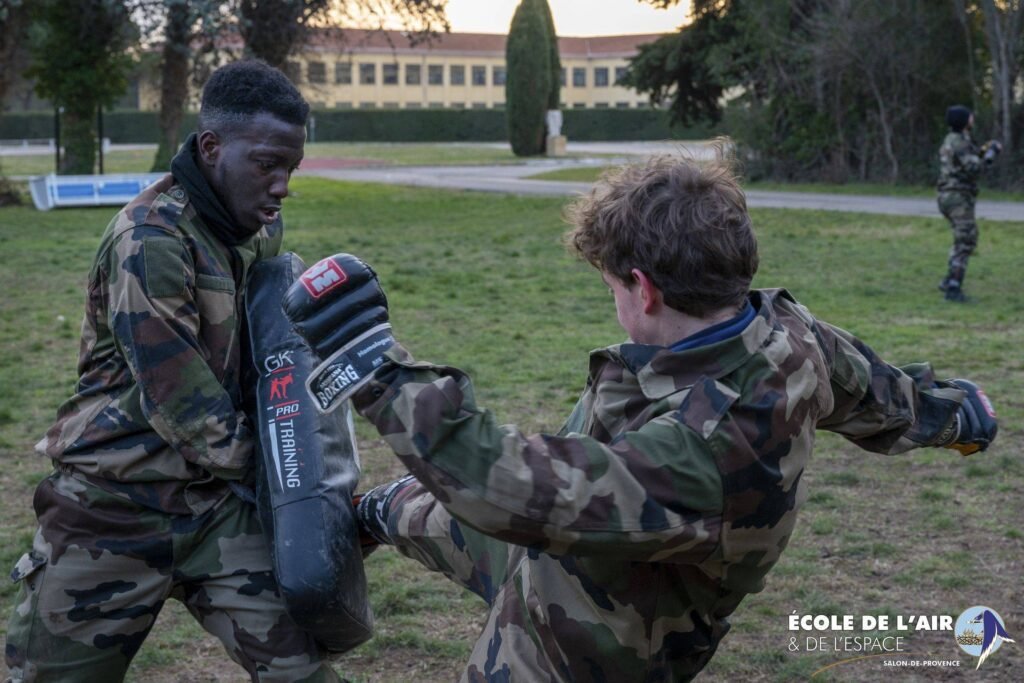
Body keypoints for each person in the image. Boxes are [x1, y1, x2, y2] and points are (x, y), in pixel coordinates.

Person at [283, 151, 997, 682]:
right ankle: (376, 511)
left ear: (645, 290)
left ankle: (382, 511)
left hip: (587, 648)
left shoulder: (710, 448)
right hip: (567, 550)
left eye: (611, 284)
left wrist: (376, 369)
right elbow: (882, 394)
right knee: (438, 510)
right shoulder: (782, 332)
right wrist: (962, 414)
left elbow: (507, 485)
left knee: (482, 504)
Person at [4, 60, 341, 682]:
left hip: (213, 505)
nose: (282, 185)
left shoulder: (254, 228)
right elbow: (183, 405)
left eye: (291, 168)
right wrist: (295, 488)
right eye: (267, 163)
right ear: (212, 148)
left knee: (304, 672)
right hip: (114, 507)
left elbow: (272, 346)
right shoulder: (150, 238)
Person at [936, 104, 1002, 302]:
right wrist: (991, 154)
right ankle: (953, 288)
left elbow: (966, 161)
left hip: (949, 195)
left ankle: (949, 280)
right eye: (969, 117)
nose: (972, 119)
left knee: (963, 238)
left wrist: (983, 151)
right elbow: (973, 168)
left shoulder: (953, 139)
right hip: (957, 196)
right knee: (966, 239)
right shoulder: (959, 142)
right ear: (964, 121)